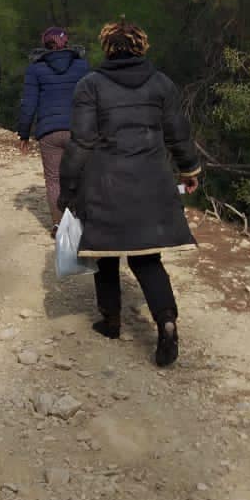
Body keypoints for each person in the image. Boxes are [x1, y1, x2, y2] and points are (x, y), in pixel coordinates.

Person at [58, 19, 200, 368]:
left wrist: (68, 187)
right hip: (151, 182)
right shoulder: (161, 84)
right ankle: (166, 323)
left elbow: (81, 142)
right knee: (147, 258)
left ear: (107, 48)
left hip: (105, 184)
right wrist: (189, 170)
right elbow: (177, 133)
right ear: (141, 46)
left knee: (105, 254)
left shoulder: (90, 86)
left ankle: (111, 321)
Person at [18, 26, 89, 235]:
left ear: (45, 44)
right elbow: (92, 98)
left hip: (49, 132)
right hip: (78, 130)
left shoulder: (36, 68)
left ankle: (60, 225)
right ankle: (82, 223)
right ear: (66, 42)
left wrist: (24, 133)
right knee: (81, 176)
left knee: (54, 179)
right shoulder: (82, 66)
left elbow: (28, 103)